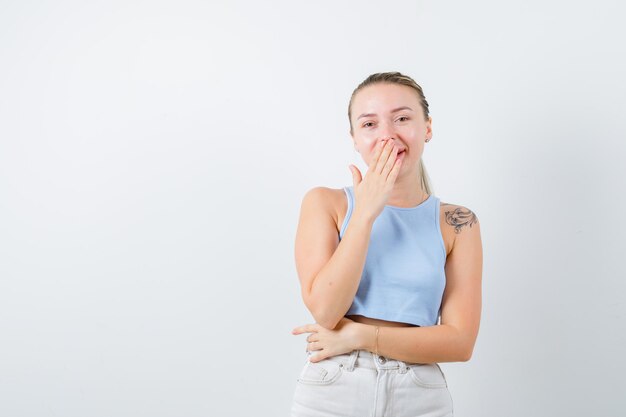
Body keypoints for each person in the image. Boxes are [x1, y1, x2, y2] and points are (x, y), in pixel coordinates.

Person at [289, 71, 483, 417]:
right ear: (354, 138)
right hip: (334, 386)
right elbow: (326, 310)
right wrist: (364, 214)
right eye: (369, 124)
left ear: (427, 128)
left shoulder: (458, 223)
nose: (387, 136)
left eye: (403, 119)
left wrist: (360, 336)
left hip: (420, 392)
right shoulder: (325, 204)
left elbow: (460, 342)